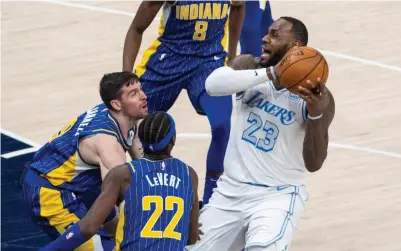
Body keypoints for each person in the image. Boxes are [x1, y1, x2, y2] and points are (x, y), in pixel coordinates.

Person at [187, 17, 335, 251]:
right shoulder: (249, 66)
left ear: (295, 48)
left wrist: (316, 115)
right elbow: (212, 86)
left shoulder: (317, 97)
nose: (265, 38)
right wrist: (273, 73)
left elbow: (314, 163)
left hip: (276, 197)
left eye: (275, 35)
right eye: (267, 32)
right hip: (230, 192)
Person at [122, 0, 245, 206]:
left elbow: (239, 6)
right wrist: (126, 75)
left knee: (222, 126)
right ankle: (138, 188)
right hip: (168, 58)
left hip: (209, 60)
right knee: (125, 120)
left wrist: (231, 55)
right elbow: (136, 28)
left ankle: (210, 201)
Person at [22, 72, 148, 250]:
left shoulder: (125, 115)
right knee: (104, 246)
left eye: (140, 90)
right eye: (133, 94)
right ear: (116, 104)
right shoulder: (108, 144)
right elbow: (119, 195)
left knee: (118, 226)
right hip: (50, 192)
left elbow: (142, 162)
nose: (143, 96)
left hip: (78, 183)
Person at [39, 111, 200, 251]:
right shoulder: (189, 174)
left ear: (140, 139)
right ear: (173, 139)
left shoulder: (124, 174)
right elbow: (192, 238)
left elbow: (88, 227)